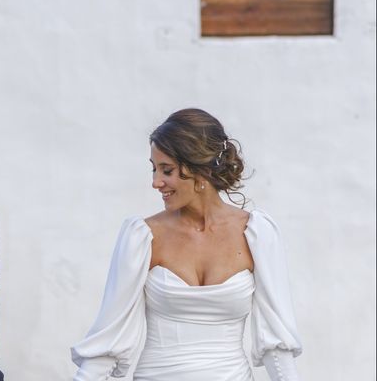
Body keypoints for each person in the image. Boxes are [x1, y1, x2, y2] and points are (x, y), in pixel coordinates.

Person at [71, 108, 302, 381]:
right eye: (154, 168)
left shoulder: (257, 234)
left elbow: (277, 347)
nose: (156, 182)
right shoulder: (142, 236)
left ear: (200, 169)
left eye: (166, 170)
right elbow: (106, 345)